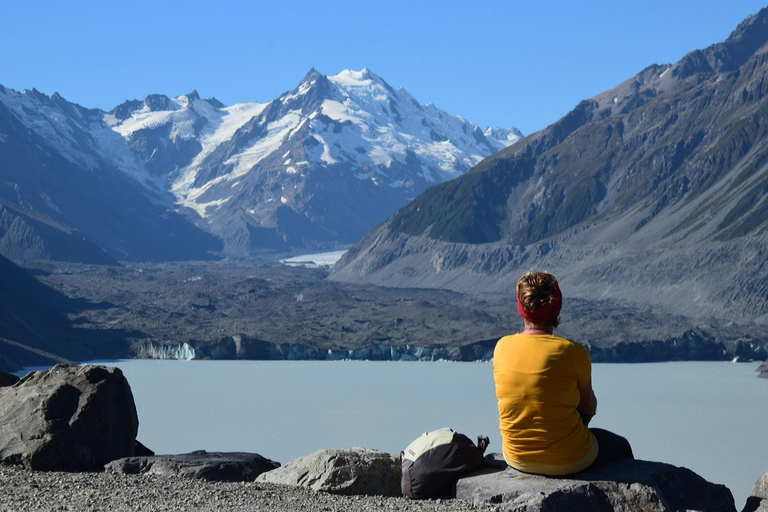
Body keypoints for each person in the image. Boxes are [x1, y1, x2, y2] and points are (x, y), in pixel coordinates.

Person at [493, 271, 633, 476]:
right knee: (620, 446)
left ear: (521, 307)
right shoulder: (573, 352)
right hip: (571, 460)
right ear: (556, 308)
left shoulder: (502, 347)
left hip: (517, 458)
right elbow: (589, 406)